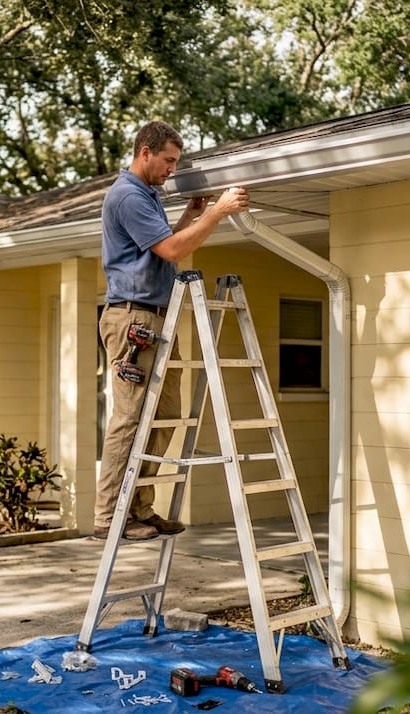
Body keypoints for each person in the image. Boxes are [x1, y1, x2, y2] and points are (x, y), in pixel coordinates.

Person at [96, 120, 250, 540]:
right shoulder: (128, 195)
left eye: (175, 162)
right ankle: (110, 516)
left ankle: (139, 507)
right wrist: (218, 211)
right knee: (129, 419)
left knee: (163, 416)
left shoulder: (147, 194)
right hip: (134, 320)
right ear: (145, 152)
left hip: (158, 316)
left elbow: (164, 244)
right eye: (168, 161)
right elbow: (174, 250)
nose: (171, 170)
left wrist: (193, 214)